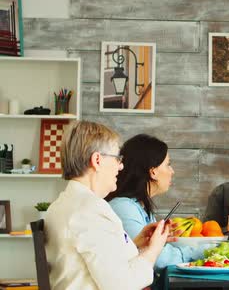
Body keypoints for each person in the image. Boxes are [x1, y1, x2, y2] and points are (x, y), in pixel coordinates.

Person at [45, 120, 170, 290]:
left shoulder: (64, 204)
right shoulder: (90, 211)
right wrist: (153, 250)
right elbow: (122, 285)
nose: (121, 166)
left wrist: (134, 244)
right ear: (97, 160)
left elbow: (95, 262)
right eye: (117, 158)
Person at [106, 134, 203, 271]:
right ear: (153, 172)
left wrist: (163, 240)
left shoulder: (139, 206)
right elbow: (159, 260)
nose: (172, 171)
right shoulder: (123, 207)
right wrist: (203, 252)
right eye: (168, 164)